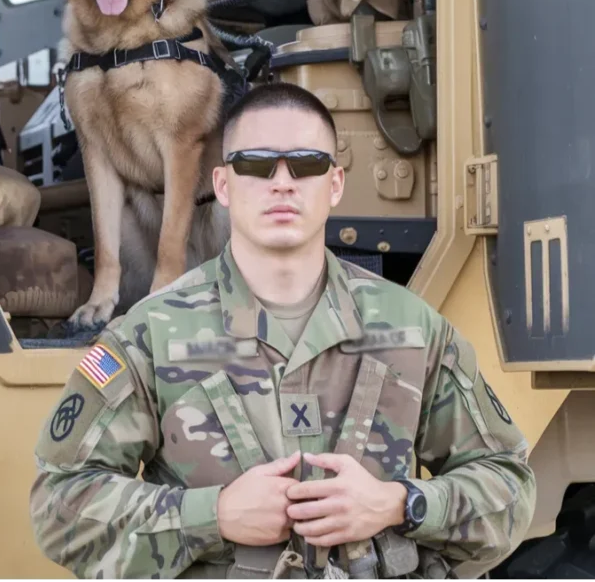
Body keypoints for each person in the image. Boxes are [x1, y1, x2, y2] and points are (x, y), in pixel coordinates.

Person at [30, 82, 536, 581]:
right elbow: (59, 507)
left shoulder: (411, 326)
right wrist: (214, 515)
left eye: (306, 165)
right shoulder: (150, 333)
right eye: (256, 165)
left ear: (335, 183)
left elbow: (509, 484)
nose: (282, 183)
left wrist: (400, 504)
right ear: (222, 185)